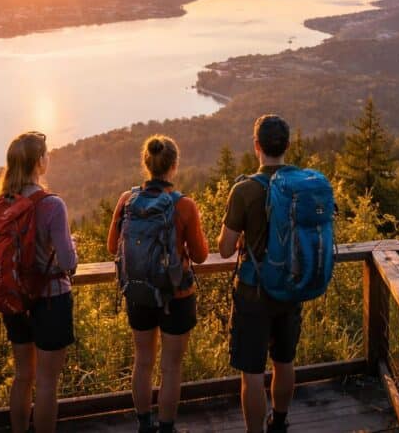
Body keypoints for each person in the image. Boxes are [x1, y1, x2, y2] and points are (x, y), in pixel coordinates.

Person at [107, 135, 209, 433]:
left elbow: (112, 245)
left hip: (139, 291)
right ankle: (166, 427)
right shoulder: (184, 206)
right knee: (171, 367)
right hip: (176, 295)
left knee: (143, 361)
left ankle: (143, 424)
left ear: (146, 164)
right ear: (174, 166)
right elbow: (202, 255)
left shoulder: (127, 200)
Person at [218, 115, 300, 433]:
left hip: (254, 290)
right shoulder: (300, 186)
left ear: (257, 147)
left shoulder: (245, 190)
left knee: (252, 371)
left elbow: (224, 249)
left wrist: (241, 237)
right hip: (292, 286)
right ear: (287, 147)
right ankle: (279, 423)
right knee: (284, 360)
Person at [0, 131, 78, 433]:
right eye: (46, 155)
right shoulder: (52, 205)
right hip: (51, 299)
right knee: (46, 382)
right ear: (39, 163)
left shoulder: (1, 201)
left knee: (22, 376)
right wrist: (72, 246)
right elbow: (68, 263)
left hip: (15, 298)